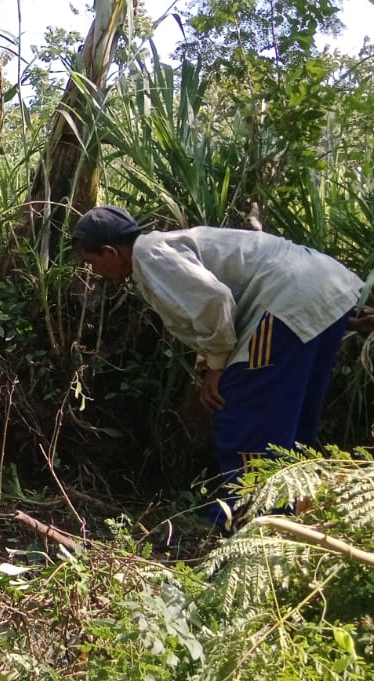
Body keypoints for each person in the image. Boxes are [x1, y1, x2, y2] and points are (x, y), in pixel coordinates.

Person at [71, 205, 360, 524]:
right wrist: (207, 361)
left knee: (244, 412)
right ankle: (293, 517)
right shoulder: (163, 246)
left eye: (91, 262)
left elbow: (215, 301)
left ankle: (251, 522)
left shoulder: (151, 258)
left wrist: (218, 367)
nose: (95, 272)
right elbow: (205, 310)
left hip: (287, 305)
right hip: (326, 290)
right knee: (292, 421)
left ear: (110, 252)